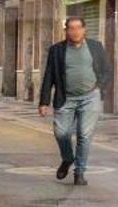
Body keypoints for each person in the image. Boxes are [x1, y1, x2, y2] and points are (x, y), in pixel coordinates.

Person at [38, 15, 109, 186]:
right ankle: (68, 158)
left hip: (90, 97)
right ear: (66, 31)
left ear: (84, 30)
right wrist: (44, 102)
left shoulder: (96, 47)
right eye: (71, 28)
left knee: (84, 135)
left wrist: (99, 86)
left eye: (78, 28)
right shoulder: (57, 50)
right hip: (66, 98)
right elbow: (49, 76)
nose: (75, 32)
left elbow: (106, 70)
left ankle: (79, 172)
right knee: (61, 133)